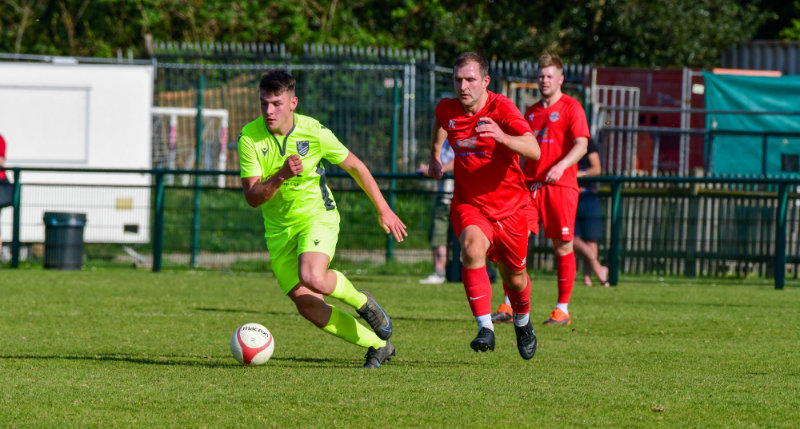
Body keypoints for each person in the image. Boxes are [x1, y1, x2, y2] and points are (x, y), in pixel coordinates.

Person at [238, 70, 407, 369]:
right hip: (278, 231)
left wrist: (384, 209)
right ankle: (379, 345)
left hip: (317, 217)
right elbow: (253, 197)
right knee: (308, 305)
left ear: (293, 103)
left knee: (313, 275)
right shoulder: (250, 137)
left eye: (277, 103)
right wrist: (281, 175)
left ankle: (362, 302)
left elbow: (355, 166)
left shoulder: (314, 132)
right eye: (264, 103)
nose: (269, 110)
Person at [428, 52, 541, 360]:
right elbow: (441, 123)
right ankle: (485, 327)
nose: (463, 86)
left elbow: (534, 150)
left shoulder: (501, 107)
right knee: (471, 248)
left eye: (470, 79)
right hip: (470, 203)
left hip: (511, 208)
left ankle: (523, 321)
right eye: (458, 79)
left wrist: (502, 136)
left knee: (514, 276)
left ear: (485, 81)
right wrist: (435, 156)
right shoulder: (447, 108)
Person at [521, 53, 590, 326]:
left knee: (562, 245)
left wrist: (561, 166)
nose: (544, 80)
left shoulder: (572, 107)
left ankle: (562, 309)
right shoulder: (530, 112)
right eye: (541, 76)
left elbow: (582, 145)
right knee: (515, 241)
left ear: (560, 79)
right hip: (530, 186)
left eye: (549, 76)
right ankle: (509, 305)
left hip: (560, 186)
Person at [417, 140, 454, 284]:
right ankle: (439, 273)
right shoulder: (443, 143)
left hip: (462, 197)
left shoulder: (465, 138)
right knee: (438, 234)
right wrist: (429, 168)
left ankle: (464, 273)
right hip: (442, 197)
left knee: (465, 237)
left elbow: (460, 161)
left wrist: (439, 168)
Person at [574, 139, 610, 287]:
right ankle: (598, 268)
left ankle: (587, 278)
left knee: (591, 240)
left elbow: (596, 169)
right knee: (571, 238)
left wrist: (580, 174)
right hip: (570, 196)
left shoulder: (588, 142)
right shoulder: (562, 141)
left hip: (588, 196)